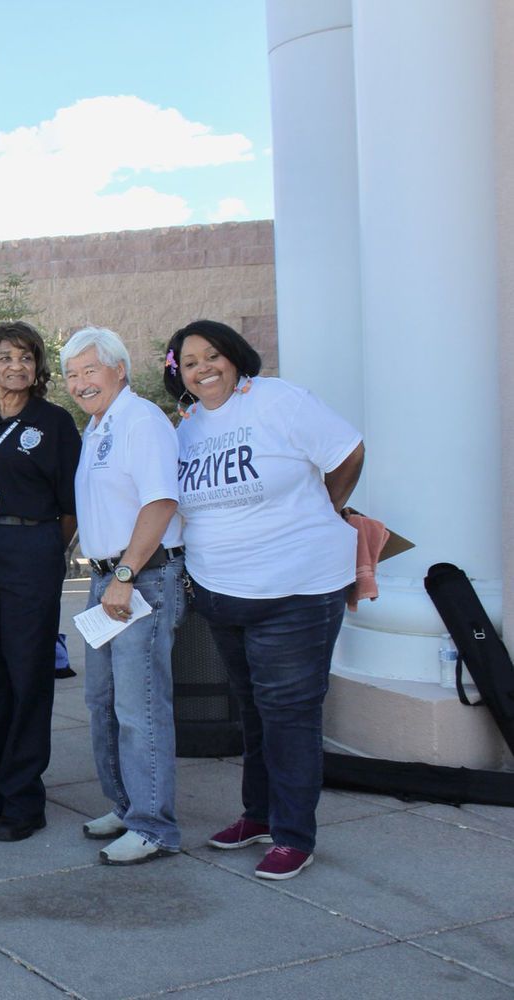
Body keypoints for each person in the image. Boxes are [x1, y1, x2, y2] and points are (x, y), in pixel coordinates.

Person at [164, 320, 364, 881]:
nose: (204, 367)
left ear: (235, 356)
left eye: (213, 355)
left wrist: (324, 507)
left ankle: (294, 834)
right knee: (253, 711)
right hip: (223, 594)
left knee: (289, 713)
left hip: (295, 590)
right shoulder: (188, 428)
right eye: (191, 361)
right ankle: (258, 815)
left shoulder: (280, 400)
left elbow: (348, 452)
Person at [0, 322, 81, 844]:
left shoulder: (54, 423)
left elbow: (72, 507)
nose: (16, 367)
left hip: (31, 551)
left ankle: (25, 800)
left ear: (38, 367)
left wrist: (49, 550)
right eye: (5, 357)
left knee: (27, 676)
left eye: (26, 358)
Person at [63, 326, 185, 865]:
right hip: (108, 578)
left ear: (119, 369)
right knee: (103, 703)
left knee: (141, 709)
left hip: (141, 578)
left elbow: (159, 503)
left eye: (91, 370)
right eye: (71, 374)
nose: (80, 382)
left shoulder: (141, 420)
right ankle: (127, 804)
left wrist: (127, 573)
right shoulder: (98, 428)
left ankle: (153, 825)